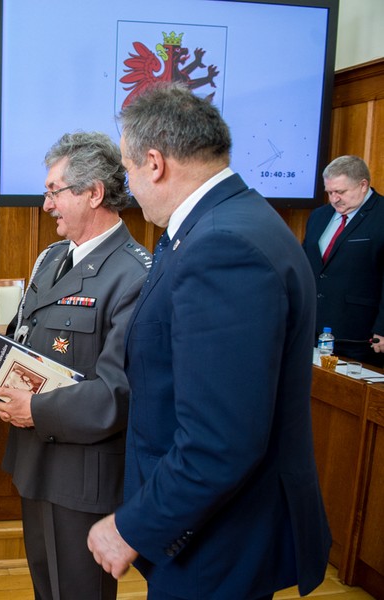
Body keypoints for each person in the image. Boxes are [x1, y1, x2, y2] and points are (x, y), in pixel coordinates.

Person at [87, 84, 331, 599]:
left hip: (216, 538)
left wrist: (131, 524)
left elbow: (220, 441)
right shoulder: (222, 223)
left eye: (128, 171)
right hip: (209, 528)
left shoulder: (221, 245)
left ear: (154, 163)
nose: (129, 186)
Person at [0, 131, 150, 600]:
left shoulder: (135, 275)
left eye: (54, 191)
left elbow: (119, 392)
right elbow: (22, 338)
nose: (46, 205)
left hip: (85, 477)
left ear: (94, 192)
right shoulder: (51, 259)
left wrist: (35, 410)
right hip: (35, 461)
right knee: (46, 587)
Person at [302, 155, 384, 366]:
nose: (334, 199)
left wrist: (382, 329)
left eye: (340, 192)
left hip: (359, 334)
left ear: (363, 185)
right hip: (313, 328)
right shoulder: (319, 216)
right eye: (329, 192)